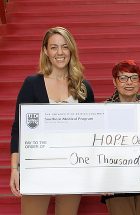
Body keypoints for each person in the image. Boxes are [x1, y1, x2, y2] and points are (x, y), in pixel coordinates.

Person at [9, 26, 95, 215]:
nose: (60, 52)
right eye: (54, 47)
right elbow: (18, 129)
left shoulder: (84, 88)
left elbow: (92, 133)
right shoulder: (32, 84)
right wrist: (15, 168)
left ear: (71, 50)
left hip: (73, 167)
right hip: (38, 167)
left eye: (65, 47)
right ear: (46, 51)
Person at [102, 60, 140, 215]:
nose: (129, 82)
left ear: (139, 81)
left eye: (134, 78)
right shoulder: (103, 110)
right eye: (123, 78)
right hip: (116, 181)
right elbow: (96, 150)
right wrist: (102, 180)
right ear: (114, 82)